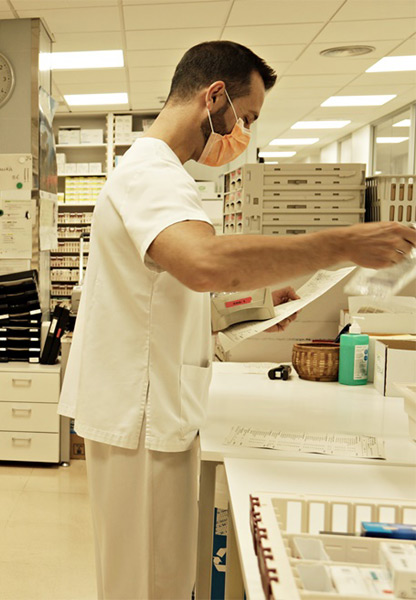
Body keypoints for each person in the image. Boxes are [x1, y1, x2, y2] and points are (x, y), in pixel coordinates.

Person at [57, 40, 416, 600]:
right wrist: (340, 243)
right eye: (244, 117)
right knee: (149, 584)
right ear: (214, 96)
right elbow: (201, 263)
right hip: (142, 417)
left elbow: (162, 287)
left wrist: (256, 299)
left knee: (160, 576)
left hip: (148, 408)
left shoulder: (157, 169)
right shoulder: (152, 171)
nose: (243, 134)